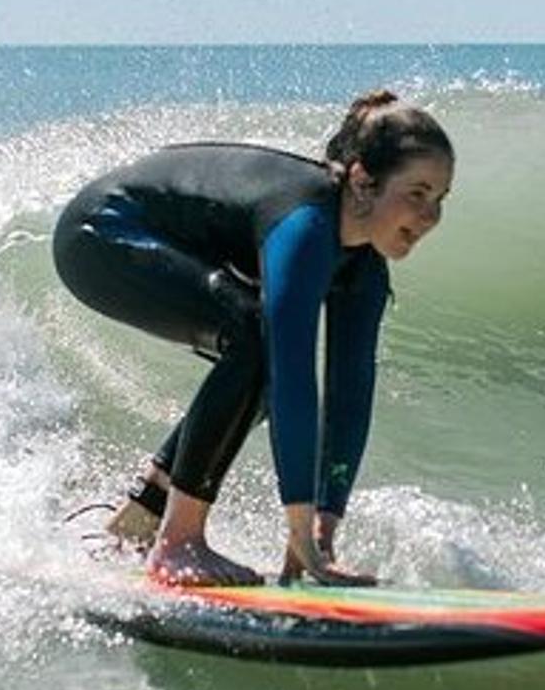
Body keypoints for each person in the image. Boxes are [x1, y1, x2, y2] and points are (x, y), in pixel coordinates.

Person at [53, 90, 453, 587]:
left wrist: (320, 535)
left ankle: (138, 522)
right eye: (417, 193)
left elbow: (350, 393)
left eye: (440, 199)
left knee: (258, 356)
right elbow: (294, 378)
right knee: (258, 340)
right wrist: (296, 521)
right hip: (101, 232)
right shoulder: (306, 221)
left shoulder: (363, 268)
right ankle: (178, 544)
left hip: (151, 239)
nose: (432, 216)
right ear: (363, 181)